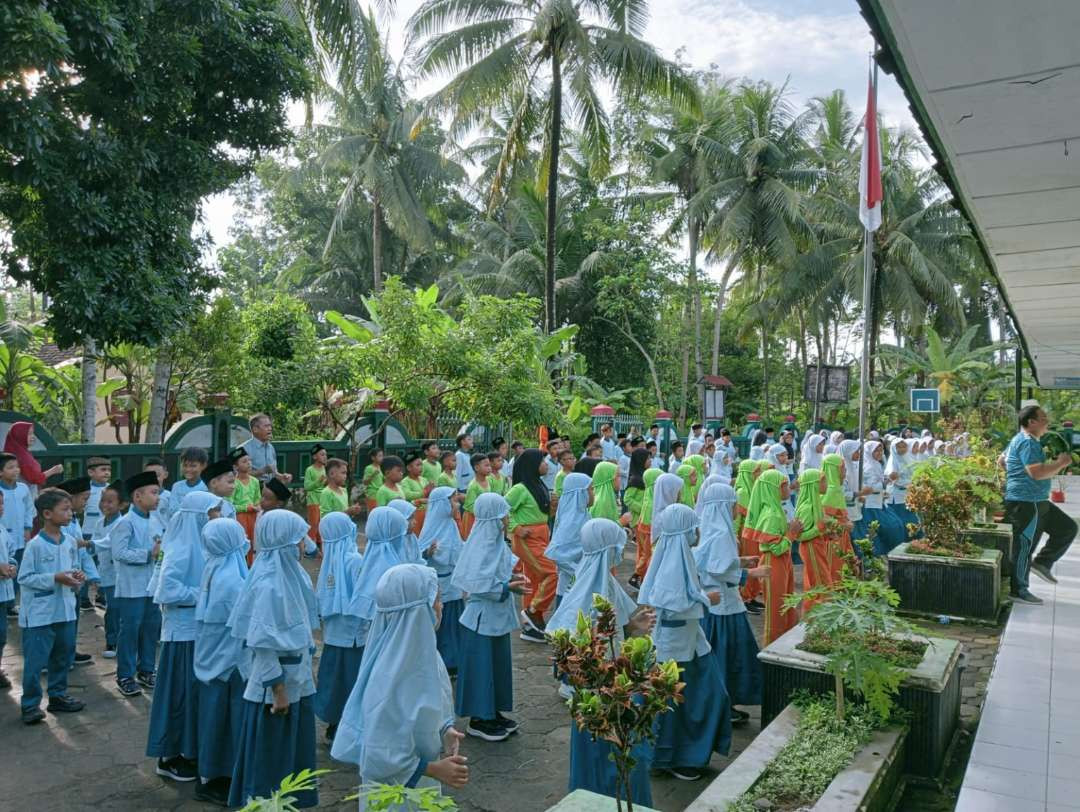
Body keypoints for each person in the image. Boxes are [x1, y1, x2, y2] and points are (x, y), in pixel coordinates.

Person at [330, 564, 469, 806]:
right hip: (394, 793)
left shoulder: (424, 653)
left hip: (420, 778)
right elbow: (380, 751)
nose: (441, 605)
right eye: (435, 600)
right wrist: (435, 769)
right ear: (416, 612)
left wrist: (444, 730)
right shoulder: (390, 675)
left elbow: (431, 704)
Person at [548, 518, 654, 804]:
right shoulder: (588, 591)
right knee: (609, 761)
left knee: (618, 760)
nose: (622, 551)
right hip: (602, 695)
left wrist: (633, 627)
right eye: (618, 545)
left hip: (617, 686)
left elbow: (615, 631)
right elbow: (575, 646)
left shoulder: (604, 581)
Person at [227, 509, 318, 809]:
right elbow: (262, 645)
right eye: (298, 538)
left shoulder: (290, 576)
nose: (303, 544)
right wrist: (278, 690)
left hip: (296, 681)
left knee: (289, 756)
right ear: (283, 543)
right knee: (272, 758)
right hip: (276, 693)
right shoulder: (269, 585)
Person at [639, 503, 731, 782]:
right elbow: (672, 603)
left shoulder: (682, 557)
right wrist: (706, 599)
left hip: (690, 640)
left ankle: (687, 754)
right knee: (676, 705)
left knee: (706, 696)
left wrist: (701, 597)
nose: (698, 532)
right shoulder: (671, 563)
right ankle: (674, 758)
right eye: (694, 527)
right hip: (674, 647)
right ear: (684, 531)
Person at [148, 491, 223, 783]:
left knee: (190, 695)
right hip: (182, 632)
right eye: (212, 513)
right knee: (178, 695)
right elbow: (164, 590)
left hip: (196, 629)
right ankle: (170, 756)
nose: (216, 518)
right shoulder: (181, 547)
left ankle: (187, 750)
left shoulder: (195, 543)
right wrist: (204, 594)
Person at [452, 492, 528, 742]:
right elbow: (479, 584)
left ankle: (493, 711)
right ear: (495, 517)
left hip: (496, 616)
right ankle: (478, 718)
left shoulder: (495, 542)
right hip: (481, 620)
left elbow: (497, 575)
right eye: (504, 513)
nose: (507, 518)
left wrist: (510, 582)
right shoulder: (481, 546)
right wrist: (508, 588)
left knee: (497, 667)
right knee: (481, 668)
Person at [694, 483, 767, 722]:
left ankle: (720, 704)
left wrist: (741, 561)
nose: (737, 508)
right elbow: (719, 569)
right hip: (724, 605)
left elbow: (714, 563)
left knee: (717, 655)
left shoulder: (709, 528)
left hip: (714, 604)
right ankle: (724, 706)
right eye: (734, 503)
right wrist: (751, 573)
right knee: (729, 658)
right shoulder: (723, 533)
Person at [192, 518, 250, 806]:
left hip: (212, 658)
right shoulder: (232, 578)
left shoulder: (214, 567)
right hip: (229, 663)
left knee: (214, 718)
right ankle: (217, 777)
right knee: (223, 722)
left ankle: (212, 773)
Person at [17, 488, 85, 724]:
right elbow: (24, 578)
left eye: (70, 509)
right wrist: (54, 577)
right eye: (64, 509)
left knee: (62, 657)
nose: (70, 513)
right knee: (36, 662)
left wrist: (77, 576)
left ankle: (57, 696)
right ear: (47, 513)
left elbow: (74, 566)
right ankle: (30, 705)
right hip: (39, 614)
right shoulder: (35, 545)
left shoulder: (69, 542)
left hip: (65, 610)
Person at [1003, 405, 1076, 604]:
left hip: (1036, 500)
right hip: (1026, 501)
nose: (1047, 422)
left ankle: (1043, 563)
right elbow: (1036, 473)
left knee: (1067, 528)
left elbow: (1001, 461)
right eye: (1043, 418)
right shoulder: (1027, 442)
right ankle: (1018, 590)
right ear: (1031, 422)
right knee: (1024, 546)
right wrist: (1061, 463)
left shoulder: (1019, 440)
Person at [111, 471, 163, 698]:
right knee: (130, 631)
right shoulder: (125, 523)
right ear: (138, 496)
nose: (157, 497)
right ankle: (125, 675)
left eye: (158, 492)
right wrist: (148, 554)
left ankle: (147, 669)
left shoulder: (156, 519)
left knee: (151, 629)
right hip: (132, 587)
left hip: (152, 585)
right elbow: (119, 552)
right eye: (153, 493)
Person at [314, 511, 365, 742]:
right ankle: (350, 728)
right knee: (352, 681)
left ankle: (334, 724)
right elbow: (363, 595)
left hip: (334, 634)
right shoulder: (354, 559)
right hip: (354, 634)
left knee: (335, 680)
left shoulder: (330, 558)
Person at [742, 469, 803, 645]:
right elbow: (776, 549)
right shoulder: (771, 515)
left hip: (782, 561)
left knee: (786, 602)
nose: (787, 489)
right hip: (774, 562)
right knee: (776, 609)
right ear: (773, 489)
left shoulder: (776, 510)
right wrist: (792, 534)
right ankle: (773, 647)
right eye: (783, 486)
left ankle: (785, 641)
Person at [506, 449, 554, 640]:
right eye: (542, 461)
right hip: (528, 539)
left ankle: (531, 626)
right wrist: (515, 528)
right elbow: (502, 508)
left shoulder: (539, 485)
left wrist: (552, 508)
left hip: (542, 535)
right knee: (552, 572)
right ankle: (534, 610)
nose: (546, 465)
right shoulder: (519, 489)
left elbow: (541, 514)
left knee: (534, 580)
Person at [419, 486, 465, 674]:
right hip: (440, 584)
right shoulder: (432, 527)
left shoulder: (452, 525)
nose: (457, 504)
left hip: (453, 583)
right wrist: (428, 553)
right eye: (453, 500)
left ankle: (456, 659)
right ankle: (444, 660)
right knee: (442, 623)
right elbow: (419, 555)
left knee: (455, 621)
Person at [545, 472, 592, 614]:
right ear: (580, 493)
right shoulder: (572, 521)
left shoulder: (582, 514)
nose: (593, 493)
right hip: (570, 588)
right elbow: (556, 553)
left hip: (579, 584)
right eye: (590, 489)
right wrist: (579, 571)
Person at [91, 480, 124, 659]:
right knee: (111, 608)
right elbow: (96, 549)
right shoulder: (98, 523)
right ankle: (111, 640)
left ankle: (119, 640)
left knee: (118, 608)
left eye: (110, 501)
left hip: (120, 573)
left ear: (122, 504)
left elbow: (108, 542)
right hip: (105, 573)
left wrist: (89, 543)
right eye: (103, 500)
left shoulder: (122, 523)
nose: (105, 504)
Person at [0, 451, 35, 617]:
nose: (16, 470)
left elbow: (29, 509)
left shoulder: (23, 489)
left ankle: (11, 603)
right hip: (3, 538)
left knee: (16, 568)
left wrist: (27, 528)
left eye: (17, 467)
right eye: (10, 467)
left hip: (20, 537)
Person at [861, 441, 907, 555]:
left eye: (881, 450)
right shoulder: (868, 466)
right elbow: (871, 487)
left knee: (895, 526)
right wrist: (888, 480)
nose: (879, 453)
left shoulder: (876, 464)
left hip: (879, 502)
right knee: (885, 529)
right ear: (869, 452)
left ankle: (883, 553)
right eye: (876, 450)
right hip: (870, 505)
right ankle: (875, 555)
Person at [794, 469, 830, 607]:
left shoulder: (816, 503)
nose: (826, 484)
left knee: (819, 581)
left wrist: (826, 532)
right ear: (813, 485)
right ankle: (816, 617)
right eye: (822, 481)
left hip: (817, 546)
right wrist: (820, 528)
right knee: (820, 584)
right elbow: (800, 537)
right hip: (810, 548)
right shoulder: (807, 508)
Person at [3, 421, 63, 495]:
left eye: (32, 433)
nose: (33, 437)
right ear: (20, 435)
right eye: (29, 434)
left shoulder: (23, 452)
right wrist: (54, 470)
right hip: (22, 497)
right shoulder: (18, 456)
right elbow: (34, 478)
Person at [821, 453, 854, 583]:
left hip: (840, 536)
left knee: (841, 567)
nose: (845, 472)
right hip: (833, 538)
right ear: (833, 469)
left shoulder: (834, 488)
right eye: (842, 469)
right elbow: (823, 518)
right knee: (834, 569)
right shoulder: (831, 490)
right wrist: (844, 525)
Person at [631, 468, 662, 589]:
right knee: (648, 554)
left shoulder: (649, 494)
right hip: (648, 527)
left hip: (643, 526)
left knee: (644, 553)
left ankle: (640, 576)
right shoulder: (653, 498)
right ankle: (637, 575)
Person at [241, 414, 292, 485]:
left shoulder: (271, 448)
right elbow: (240, 475)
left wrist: (282, 477)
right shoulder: (244, 449)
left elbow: (273, 472)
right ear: (255, 429)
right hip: (253, 489)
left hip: (270, 489)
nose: (270, 429)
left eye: (270, 426)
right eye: (266, 426)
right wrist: (262, 471)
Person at [230, 447, 261, 545]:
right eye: (244, 461)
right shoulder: (233, 483)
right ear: (235, 467)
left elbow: (257, 500)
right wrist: (245, 508)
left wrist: (258, 506)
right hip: (239, 517)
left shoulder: (255, 481)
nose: (249, 463)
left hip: (253, 516)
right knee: (242, 542)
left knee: (254, 542)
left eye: (249, 460)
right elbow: (229, 506)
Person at [0, 492, 15, 688]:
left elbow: (11, 551)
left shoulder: (2, 529)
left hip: (2, 592)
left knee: (1, 633)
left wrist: (12, 565)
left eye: (1, 503)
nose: (0, 507)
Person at [460, 452, 492, 538]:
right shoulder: (473, 485)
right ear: (477, 468)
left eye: (489, 465)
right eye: (486, 465)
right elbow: (470, 506)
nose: (489, 468)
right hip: (472, 518)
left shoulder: (488, 480)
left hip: (482, 517)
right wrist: (484, 512)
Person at [303, 444, 328, 546]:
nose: (325, 456)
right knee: (313, 525)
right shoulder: (310, 470)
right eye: (322, 454)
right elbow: (307, 486)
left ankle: (319, 545)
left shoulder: (326, 469)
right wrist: (319, 481)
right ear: (314, 457)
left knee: (322, 525)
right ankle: (309, 548)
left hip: (324, 501)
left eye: (325, 454)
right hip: (313, 501)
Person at [401, 451, 432, 534]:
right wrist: (424, 492)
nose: (421, 467)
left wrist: (432, 490)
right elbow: (407, 495)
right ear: (409, 468)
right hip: (414, 514)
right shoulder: (405, 482)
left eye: (421, 464)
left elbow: (429, 494)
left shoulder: (424, 479)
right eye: (418, 465)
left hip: (427, 512)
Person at [363, 448, 384, 513]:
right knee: (372, 514)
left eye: (382, 456)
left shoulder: (381, 467)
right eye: (379, 456)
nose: (382, 458)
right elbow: (365, 482)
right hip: (372, 494)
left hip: (380, 494)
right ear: (373, 458)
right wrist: (373, 475)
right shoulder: (369, 468)